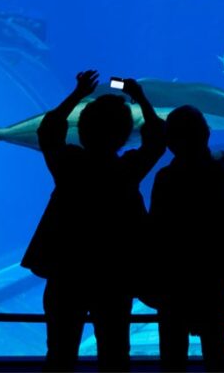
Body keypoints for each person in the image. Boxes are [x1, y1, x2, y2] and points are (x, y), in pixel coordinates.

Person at [23, 71, 166, 372]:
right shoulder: (126, 171)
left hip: (67, 271)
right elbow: (157, 140)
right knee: (115, 353)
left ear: (82, 131)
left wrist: (77, 94)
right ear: (125, 135)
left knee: (60, 353)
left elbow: (48, 131)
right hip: (115, 273)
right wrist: (139, 96)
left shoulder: (69, 165)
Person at [149, 105, 224, 372]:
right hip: (218, 273)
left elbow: (157, 231)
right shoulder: (222, 163)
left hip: (175, 279)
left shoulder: (166, 178)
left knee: (172, 350)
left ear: (169, 141)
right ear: (208, 132)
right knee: (216, 345)